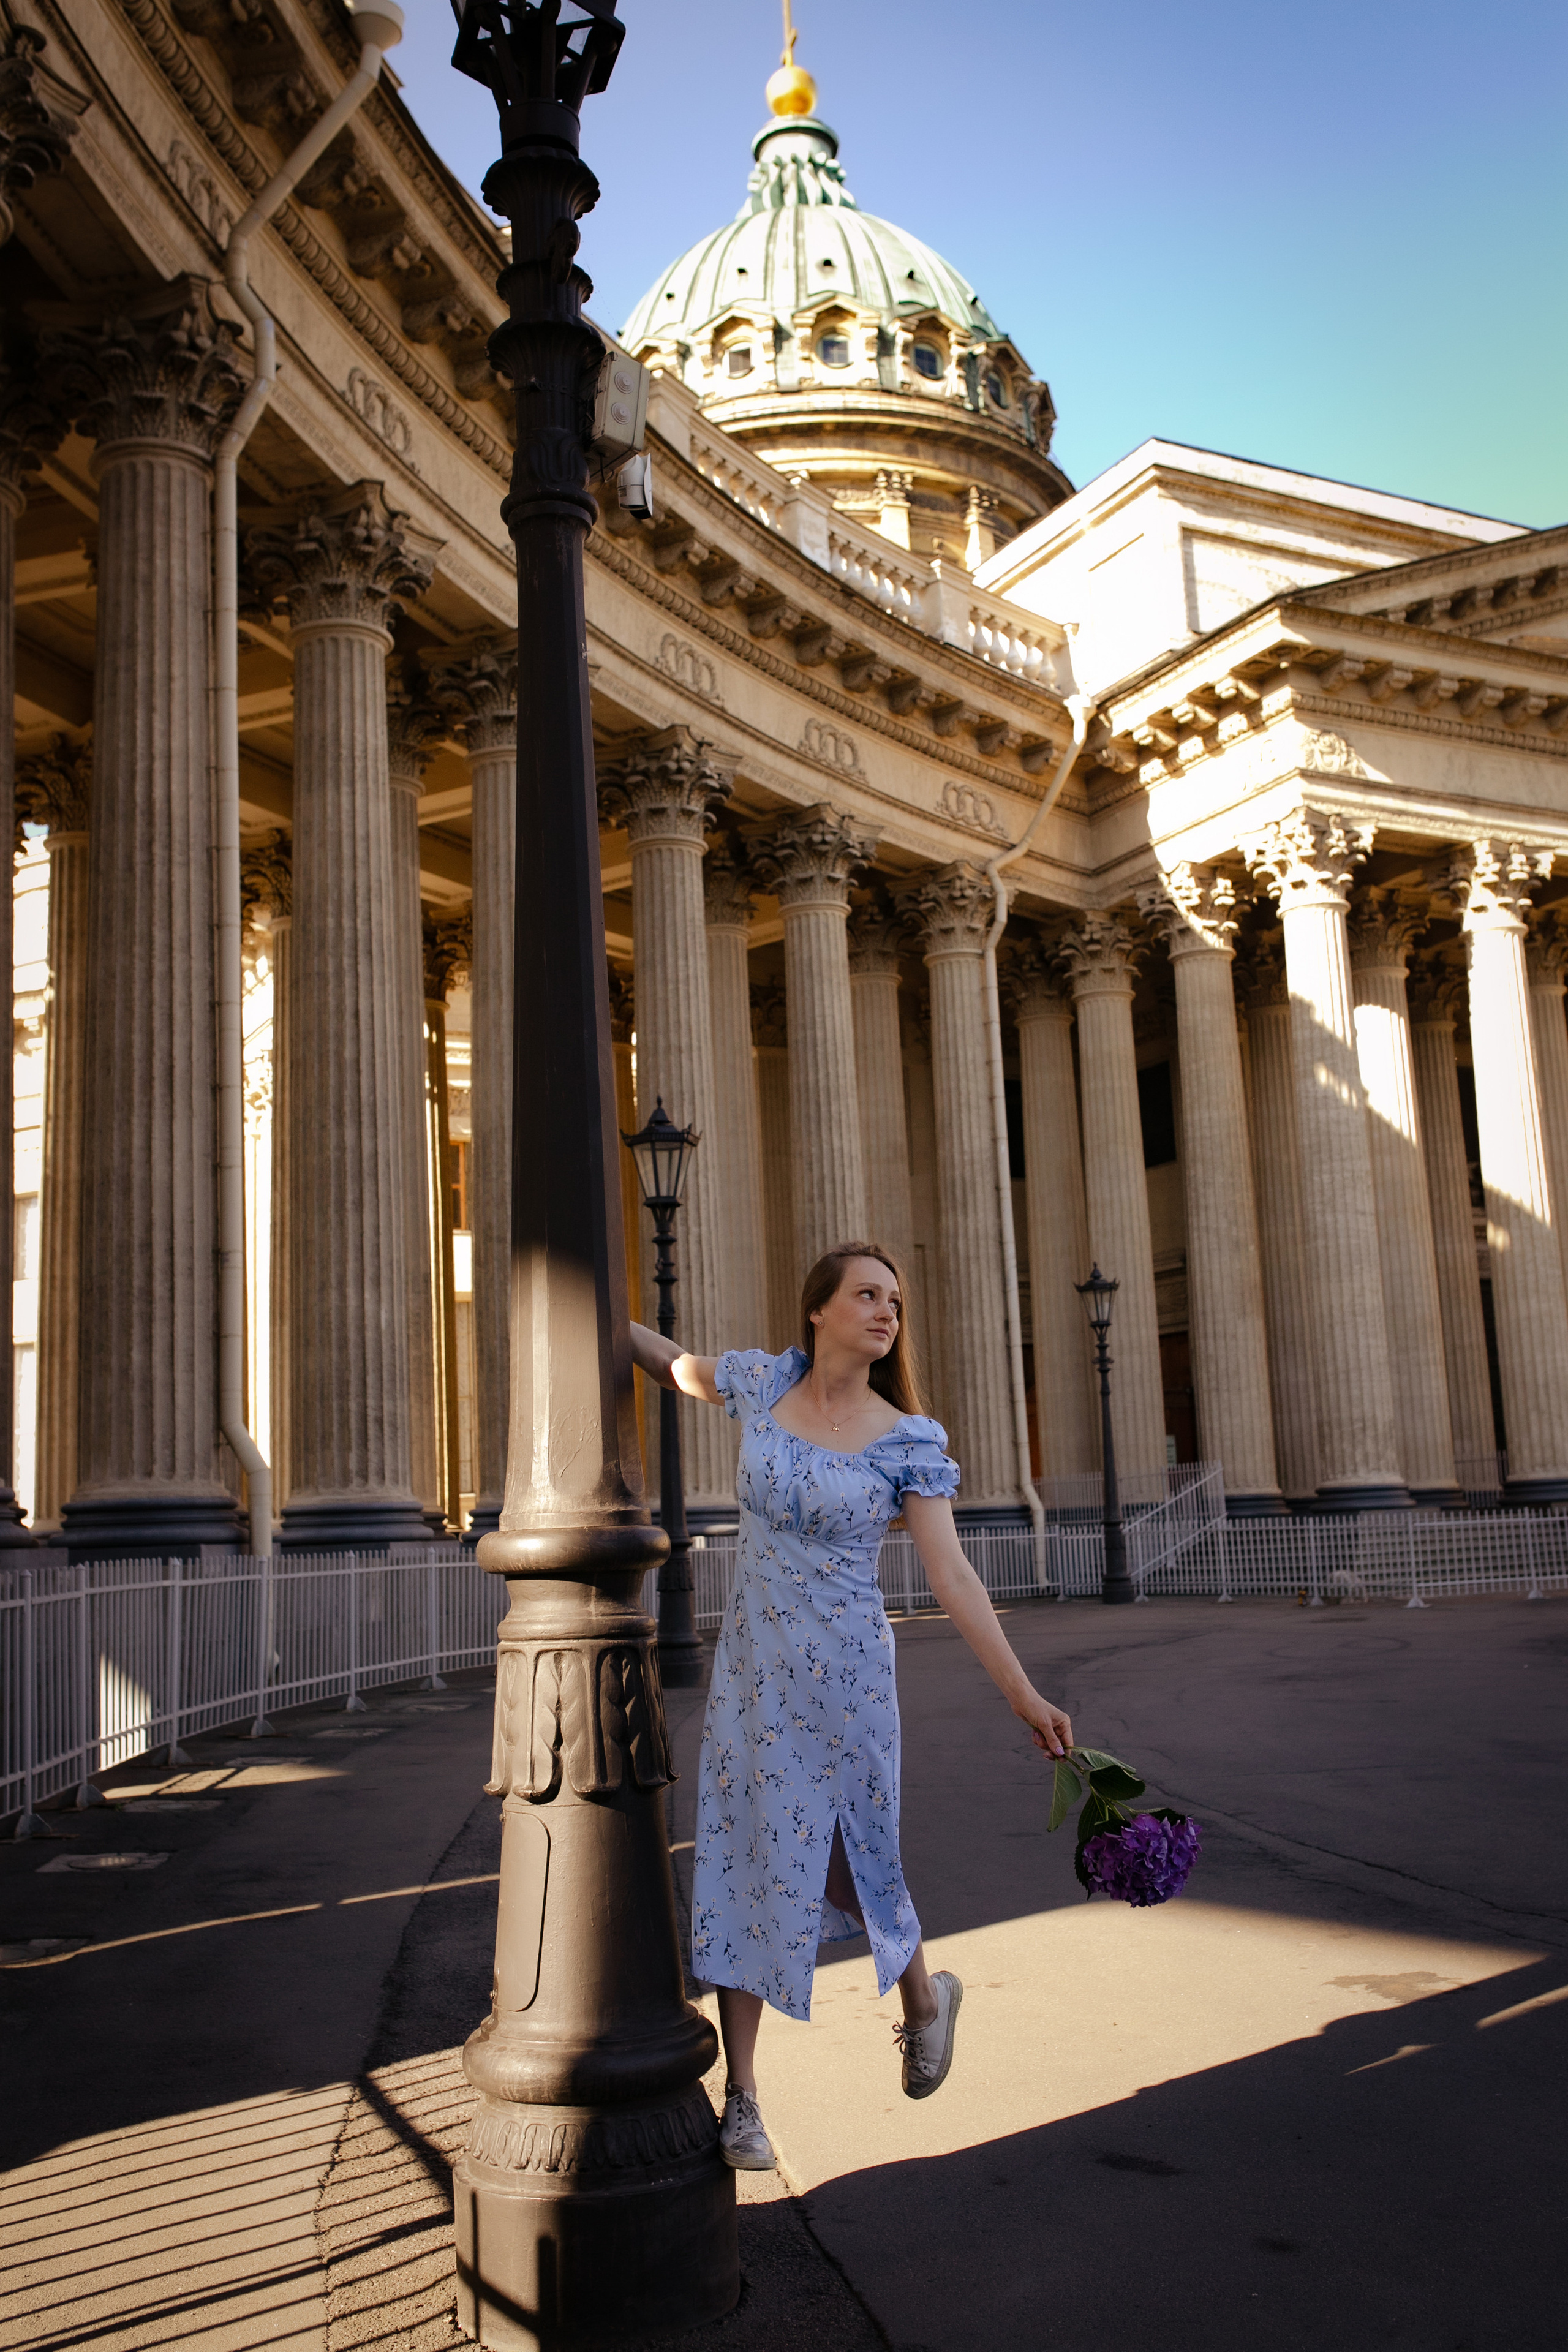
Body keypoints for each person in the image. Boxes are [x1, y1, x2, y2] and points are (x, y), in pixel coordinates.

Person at [629, 1240, 1074, 2173]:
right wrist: (590, 1305)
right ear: (820, 1309)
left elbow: (951, 1576)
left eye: (895, 1303)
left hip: (848, 1681)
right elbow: (673, 1365)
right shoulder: (761, 1384)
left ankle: (923, 2001)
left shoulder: (906, 1437)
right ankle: (742, 2099)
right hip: (754, 1675)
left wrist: (1025, 1695)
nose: (885, 1313)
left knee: (854, 1853)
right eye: (867, 1295)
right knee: (747, 1855)